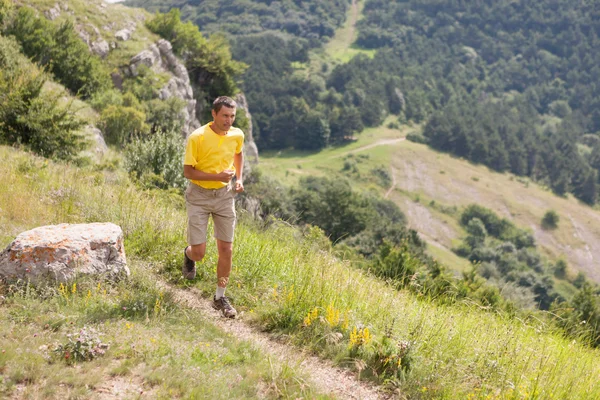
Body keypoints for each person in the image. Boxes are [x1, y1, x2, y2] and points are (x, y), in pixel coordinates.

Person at [182, 96, 244, 318]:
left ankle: (220, 297)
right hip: (198, 195)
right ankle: (188, 255)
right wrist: (216, 175)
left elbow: (238, 153)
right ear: (214, 114)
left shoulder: (237, 135)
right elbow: (188, 172)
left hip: (224, 196)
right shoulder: (197, 137)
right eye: (225, 115)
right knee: (199, 253)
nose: (229, 120)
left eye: (232, 116)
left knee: (226, 248)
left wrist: (239, 178)